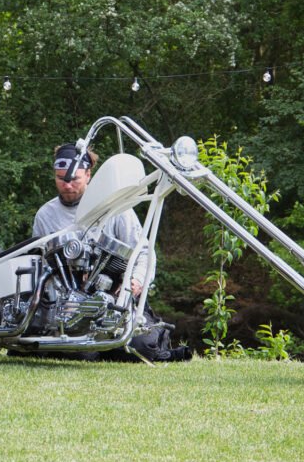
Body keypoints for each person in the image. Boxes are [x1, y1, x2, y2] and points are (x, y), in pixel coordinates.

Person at [29, 143, 191, 362]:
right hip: (67, 308)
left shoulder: (116, 210)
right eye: (61, 179)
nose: (67, 185)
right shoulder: (45, 215)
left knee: (144, 345)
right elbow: (39, 265)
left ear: (88, 174)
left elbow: (144, 251)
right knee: (77, 350)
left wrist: (135, 281)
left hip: (116, 298)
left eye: (74, 179)